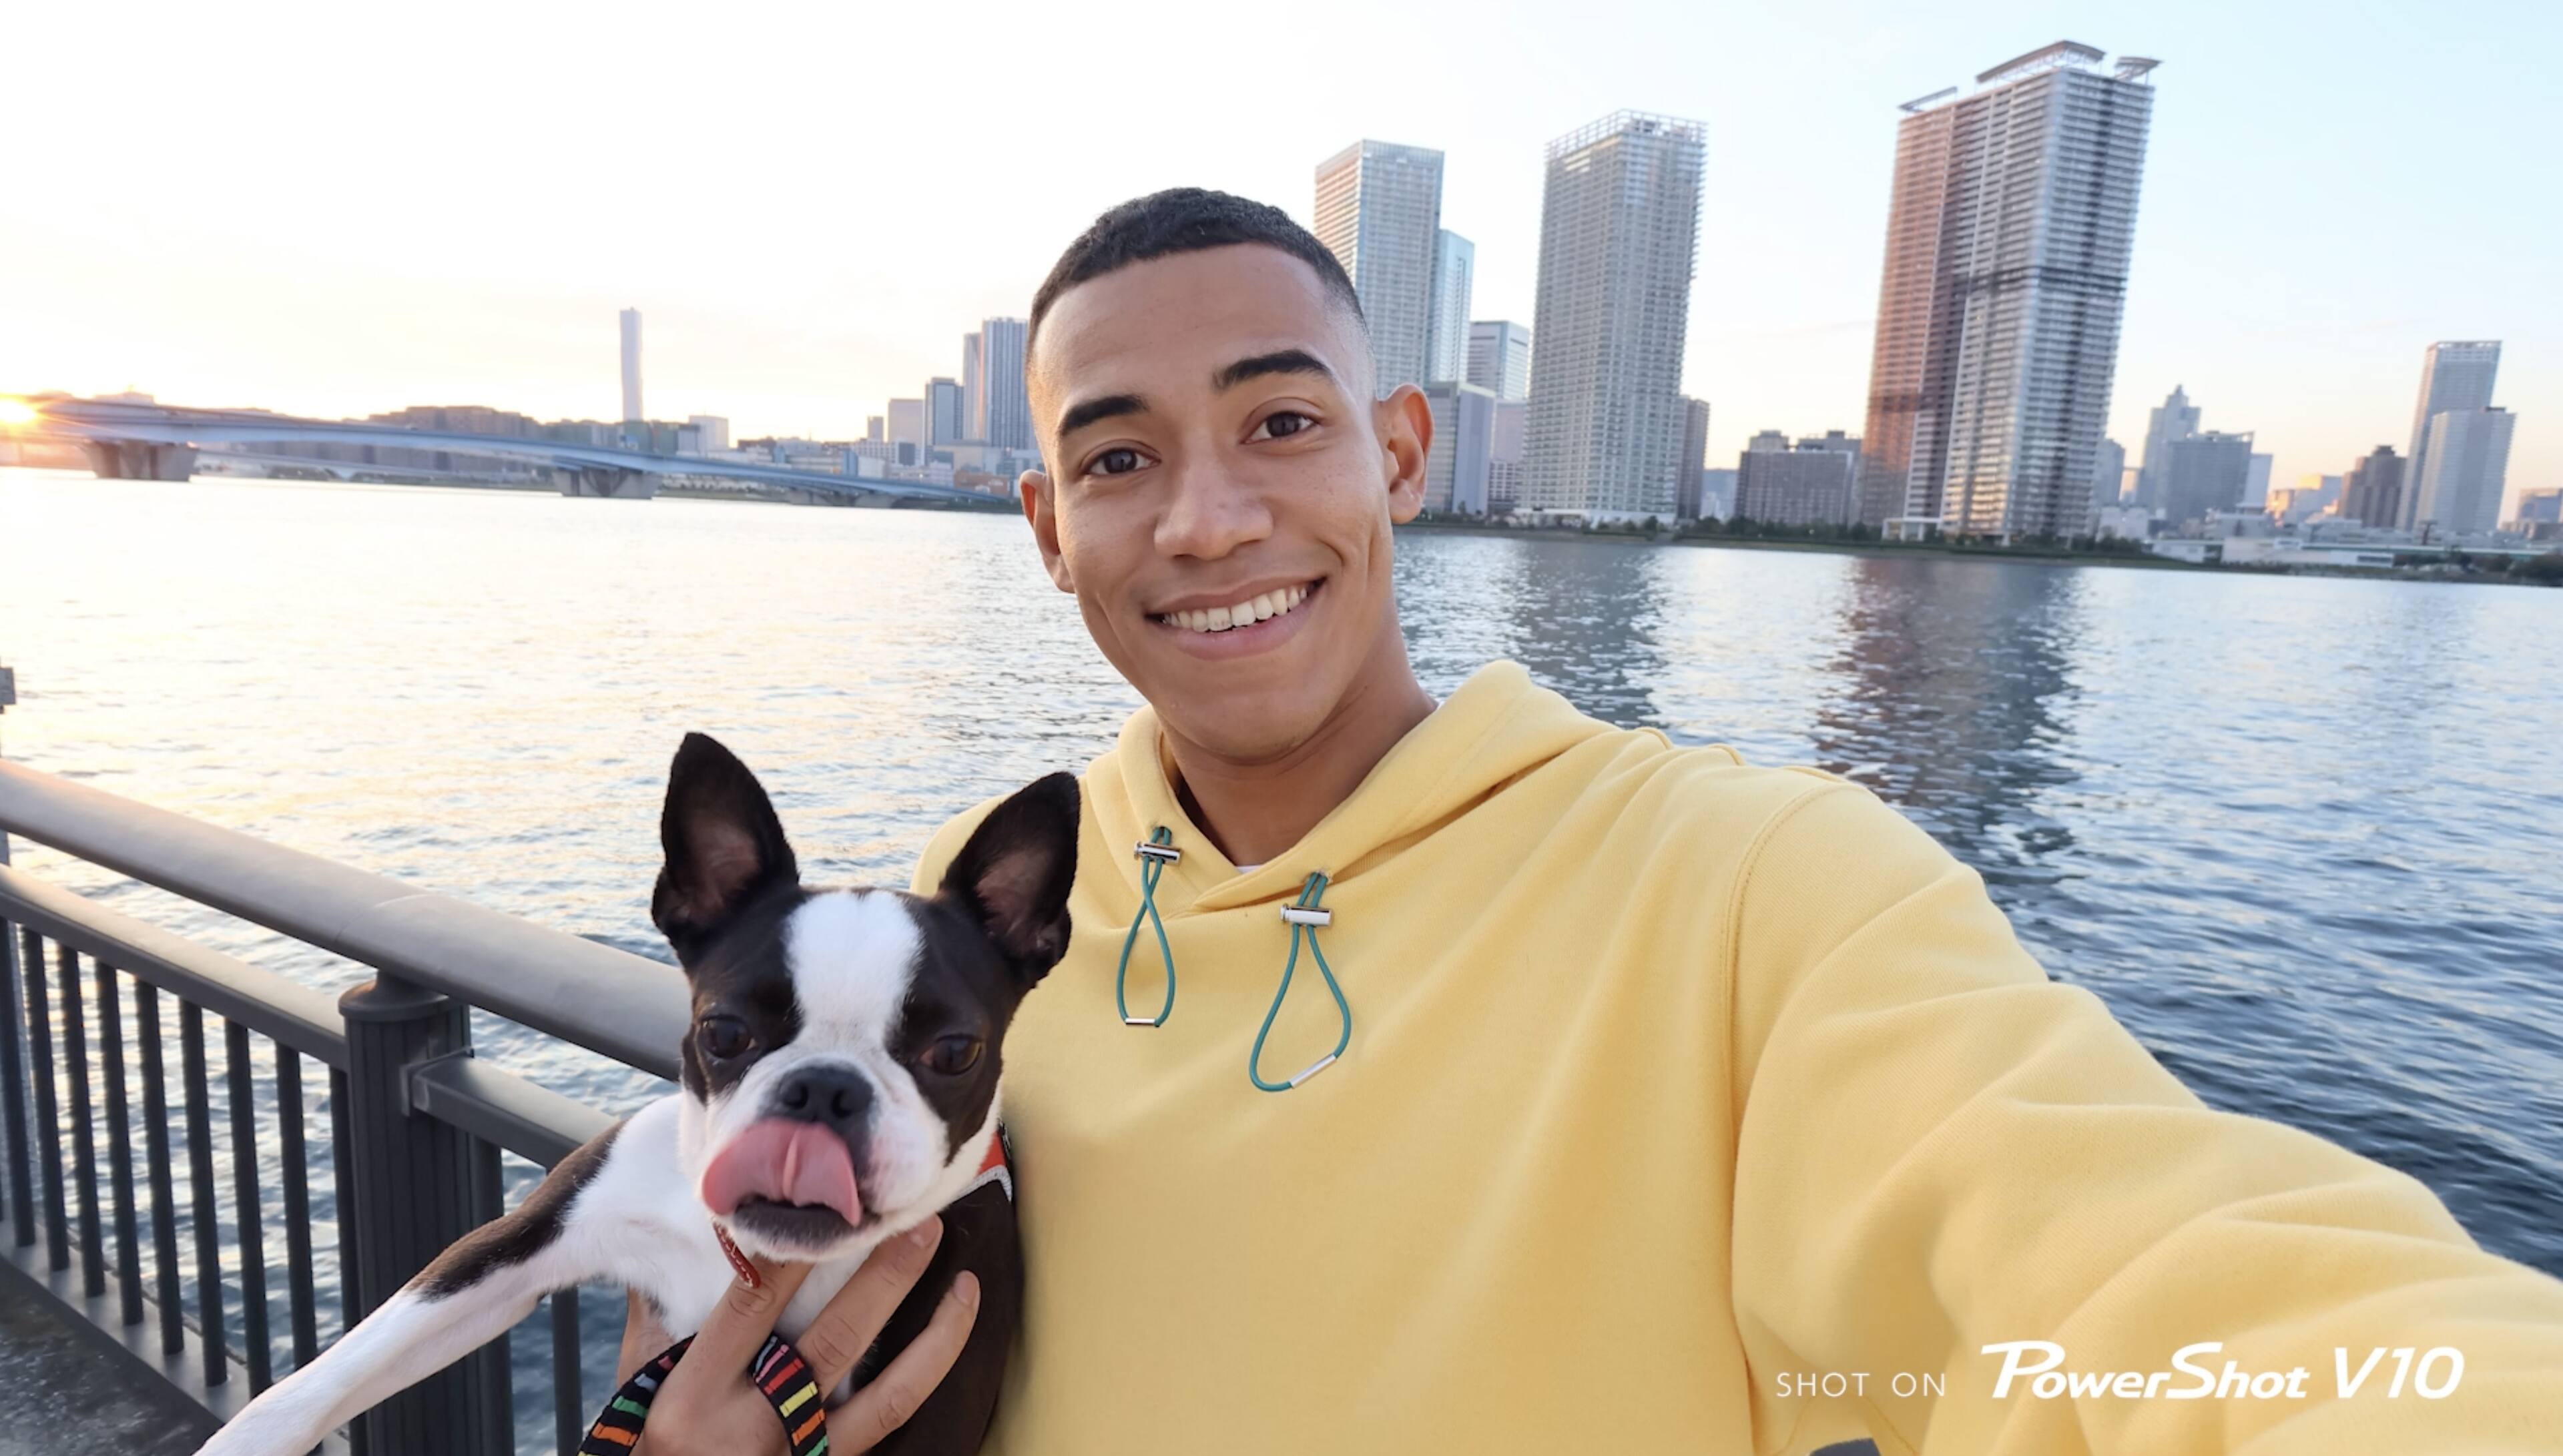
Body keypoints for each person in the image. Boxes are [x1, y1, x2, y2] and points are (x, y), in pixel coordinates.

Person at [631, 188, 2563, 1454]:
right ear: (1049, 531)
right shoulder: (999, 900)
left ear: (1400, 455)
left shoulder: (1748, 891)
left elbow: (2167, 1277)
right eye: (1119, 457)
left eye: (1282, 424)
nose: (1208, 519)